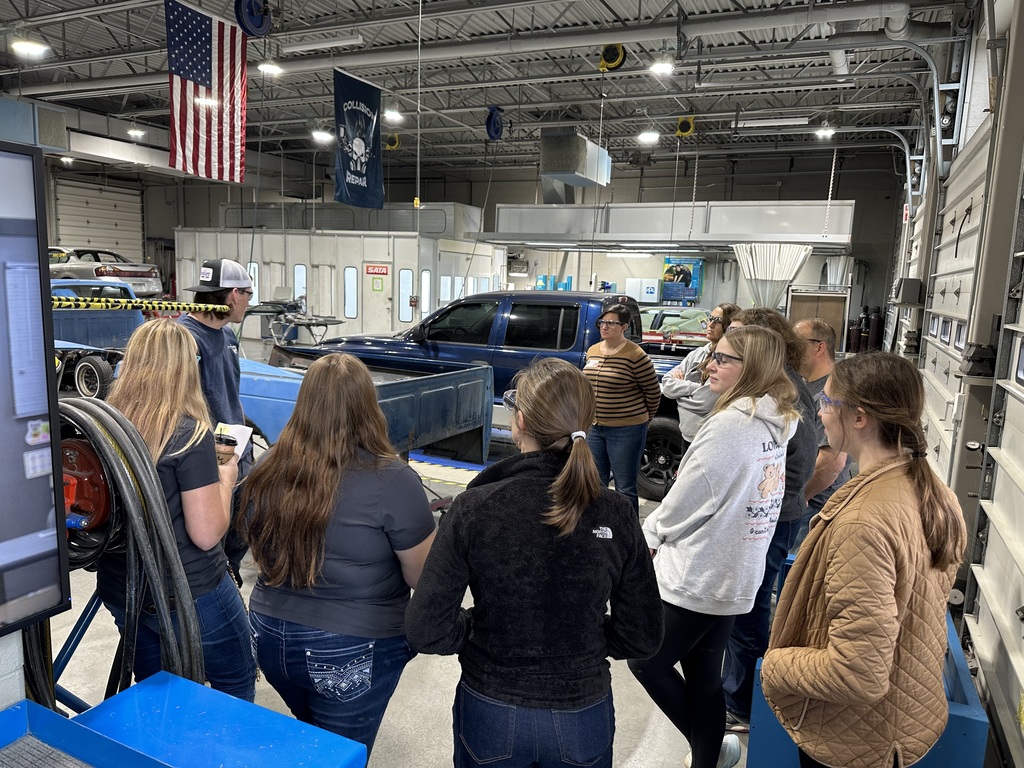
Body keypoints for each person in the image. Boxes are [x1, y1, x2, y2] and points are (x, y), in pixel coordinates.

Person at [406, 357, 663, 768]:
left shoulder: (475, 507)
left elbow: (426, 629)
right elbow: (643, 635)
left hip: (492, 708)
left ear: (519, 421)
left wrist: (473, 630)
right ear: (588, 423)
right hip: (583, 712)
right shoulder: (616, 512)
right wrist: (587, 640)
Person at [762, 353, 967, 768]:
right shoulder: (933, 491)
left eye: (827, 402)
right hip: (900, 719)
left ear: (859, 418)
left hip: (858, 736)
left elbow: (858, 672)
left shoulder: (863, 522)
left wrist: (774, 665)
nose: (820, 411)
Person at [241, 353, 435, 757]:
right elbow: (423, 578)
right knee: (337, 755)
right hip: (351, 645)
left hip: (267, 634)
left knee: (312, 740)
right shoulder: (394, 479)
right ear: (369, 407)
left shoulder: (267, 465)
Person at [629, 326, 800, 768]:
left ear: (753, 367)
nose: (709, 365)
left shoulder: (731, 425)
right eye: (713, 356)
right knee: (704, 678)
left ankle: (708, 746)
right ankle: (709, 757)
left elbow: (691, 494)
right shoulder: (777, 419)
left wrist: (649, 536)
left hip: (700, 570)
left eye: (723, 359)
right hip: (736, 570)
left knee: (645, 661)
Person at [98, 318, 256, 700]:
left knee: (160, 692)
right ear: (186, 368)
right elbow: (206, 533)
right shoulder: (189, 433)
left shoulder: (104, 425)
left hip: (126, 590)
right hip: (191, 593)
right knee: (235, 678)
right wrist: (226, 477)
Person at [719, 307, 817, 733]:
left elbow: (801, 463)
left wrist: (767, 504)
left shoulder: (787, 391)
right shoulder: (766, 387)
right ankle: (736, 693)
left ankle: (742, 705)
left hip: (770, 521)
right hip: (760, 517)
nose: (729, 347)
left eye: (740, 337)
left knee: (750, 609)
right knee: (744, 606)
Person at [182, 258, 254, 587]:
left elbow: (229, 393)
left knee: (245, 521)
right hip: (208, 455)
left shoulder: (228, 337)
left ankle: (230, 570)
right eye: (248, 295)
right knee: (213, 534)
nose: (249, 304)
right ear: (233, 295)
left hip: (236, 447)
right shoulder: (184, 340)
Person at [582, 304, 661, 513]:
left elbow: (653, 393)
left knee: (624, 488)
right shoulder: (593, 351)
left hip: (627, 430)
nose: (604, 327)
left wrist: (644, 419)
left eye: (611, 323)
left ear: (624, 326)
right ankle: (599, 528)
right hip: (595, 429)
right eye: (602, 322)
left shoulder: (636, 355)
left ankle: (629, 535)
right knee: (595, 484)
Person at [791, 317, 853, 551]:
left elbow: (832, 462)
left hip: (814, 504)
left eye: (797, 343)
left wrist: (798, 498)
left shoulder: (832, 391)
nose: (792, 351)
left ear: (819, 346)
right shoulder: (810, 386)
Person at [661, 302, 741, 458]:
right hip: (686, 436)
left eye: (717, 321)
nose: (710, 324)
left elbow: (705, 403)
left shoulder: (731, 361)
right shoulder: (698, 353)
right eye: (710, 318)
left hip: (709, 440)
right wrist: (695, 388)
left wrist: (680, 397)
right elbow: (667, 384)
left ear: (728, 326)